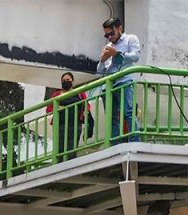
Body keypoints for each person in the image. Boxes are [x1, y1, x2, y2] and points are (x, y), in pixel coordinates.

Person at [97, 16, 141, 144]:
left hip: (124, 80)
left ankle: (134, 141)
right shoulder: (108, 46)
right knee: (111, 118)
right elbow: (99, 71)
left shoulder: (130, 39)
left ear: (119, 28)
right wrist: (102, 60)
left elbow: (135, 56)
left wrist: (117, 54)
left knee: (128, 112)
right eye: (107, 35)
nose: (109, 37)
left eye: (111, 33)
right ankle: (115, 145)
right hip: (108, 84)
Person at [47, 72, 92, 161]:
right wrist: (57, 108)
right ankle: (59, 166)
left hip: (75, 124)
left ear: (72, 81)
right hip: (60, 125)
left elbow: (87, 104)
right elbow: (48, 109)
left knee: (72, 147)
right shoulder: (56, 94)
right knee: (59, 148)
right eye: (63, 80)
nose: (66, 81)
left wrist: (85, 111)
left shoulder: (79, 92)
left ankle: (71, 164)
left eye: (68, 80)